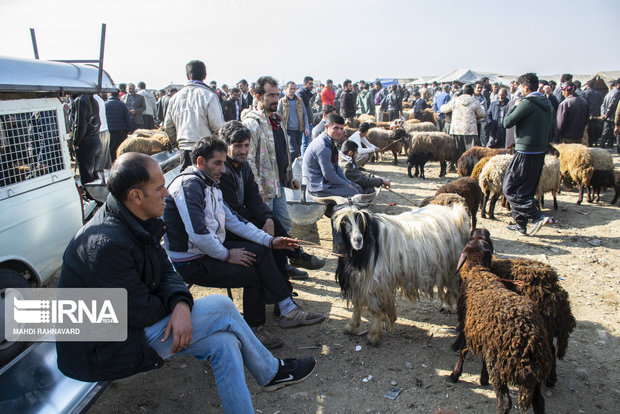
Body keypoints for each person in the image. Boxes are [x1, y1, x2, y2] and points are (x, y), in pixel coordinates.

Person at [56, 152, 316, 414]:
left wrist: (181, 304)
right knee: (223, 307)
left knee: (224, 344)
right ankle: (271, 372)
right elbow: (138, 311)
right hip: (101, 347)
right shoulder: (106, 244)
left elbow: (166, 272)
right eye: (159, 188)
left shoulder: (134, 219)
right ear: (136, 196)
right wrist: (178, 306)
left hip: (130, 328)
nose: (167, 194)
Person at [163, 138, 325, 349]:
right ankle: (256, 328)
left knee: (261, 250)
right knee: (252, 271)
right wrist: (226, 255)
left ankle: (286, 309)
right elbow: (198, 234)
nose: (223, 168)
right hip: (192, 260)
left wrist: (270, 240)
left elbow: (233, 220)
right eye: (218, 163)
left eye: (223, 163)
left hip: (207, 250)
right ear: (201, 162)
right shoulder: (189, 185)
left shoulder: (209, 183)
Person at [218, 121, 326, 282]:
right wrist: (261, 223)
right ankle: (293, 261)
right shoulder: (221, 171)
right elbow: (232, 211)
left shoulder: (243, 165)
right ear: (225, 146)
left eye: (246, 146)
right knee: (267, 240)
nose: (244, 151)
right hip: (225, 227)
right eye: (238, 146)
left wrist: (267, 218)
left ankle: (290, 266)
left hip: (240, 219)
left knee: (272, 222)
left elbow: (253, 197)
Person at [242, 76, 299, 233]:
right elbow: (249, 159)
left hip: (277, 183)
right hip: (264, 187)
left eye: (277, 94)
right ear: (259, 97)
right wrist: (257, 188)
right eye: (271, 95)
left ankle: (282, 254)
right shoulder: (252, 123)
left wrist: (290, 177)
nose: (276, 99)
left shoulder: (277, 118)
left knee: (284, 222)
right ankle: (272, 256)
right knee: (267, 225)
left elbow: (282, 150)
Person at [502, 73, 553, 236]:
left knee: (509, 188)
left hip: (525, 151)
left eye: (520, 88)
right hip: (539, 152)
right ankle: (520, 224)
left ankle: (537, 215)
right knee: (526, 189)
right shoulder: (547, 102)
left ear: (525, 87)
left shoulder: (527, 103)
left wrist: (516, 105)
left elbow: (507, 123)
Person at [164, 60, 225, 172]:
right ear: (205, 76)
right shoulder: (209, 96)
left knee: (187, 182)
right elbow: (217, 126)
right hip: (206, 150)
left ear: (187, 76)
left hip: (184, 149)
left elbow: (168, 126)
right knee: (205, 183)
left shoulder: (175, 98)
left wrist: (176, 143)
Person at [302, 113, 360, 198]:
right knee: (354, 194)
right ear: (326, 127)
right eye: (335, 128)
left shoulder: (330, 142)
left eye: (341, 128)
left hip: (325, 182)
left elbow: (337, 168)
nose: (339, 132)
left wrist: (348, 183)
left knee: (357, 187)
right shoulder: (323, 146)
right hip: (317, 187)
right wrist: (347, 186)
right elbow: (329, 175)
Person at [440, 84, 486, 161]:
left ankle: (459, 170)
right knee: (471, 153)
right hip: (470, 131)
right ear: (472, 93)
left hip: (456, 130)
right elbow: (482, 114)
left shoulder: (455, 100)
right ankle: (470, 169)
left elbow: (443, 109)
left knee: (459, 153)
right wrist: (482, 107)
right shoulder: (475, 101)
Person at [70, 94, 102, 184]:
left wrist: (76, 142)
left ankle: (90, 195)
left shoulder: (80, 100)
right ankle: (95, 196)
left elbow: (80, 124)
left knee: (87, 176)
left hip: (86, 143)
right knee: (94, 175)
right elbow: (98, 122)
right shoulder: (93, 101)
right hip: (96, 140)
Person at [277, 81, 309, 161]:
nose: (292, 91)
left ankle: (293, 168)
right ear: (286, 89)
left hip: (299, 129)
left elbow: (305, 114)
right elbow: (278, 115)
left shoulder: (299, 101)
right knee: (293, 151)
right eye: (290, 89)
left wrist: (306, 127)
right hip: (288, 130)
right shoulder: (282, 101)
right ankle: (289, 166)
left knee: (298, 150)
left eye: (294, 89)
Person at [105, 91, 132, 162]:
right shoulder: (122, 104)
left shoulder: (105, 104)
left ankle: (112, 162)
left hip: (109, 130)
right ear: (118, 95)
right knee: (121, 147)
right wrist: (129, 129)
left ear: (109, 94)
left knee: (111, 147)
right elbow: (127, 118)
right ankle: (121, 161)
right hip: (121, 130)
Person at [296, 76, 315, 156]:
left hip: (308, 122)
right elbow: (302, 110)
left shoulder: (306, 93)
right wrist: (306, 123)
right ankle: (304, 160)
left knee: (307, 142)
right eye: (310, 84)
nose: (312, 85)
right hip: (304, 123)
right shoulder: (301, 93)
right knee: (305, 143)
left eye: (312, 83)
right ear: (304, 84)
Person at [581, 80, 603, 146]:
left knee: (588, 130)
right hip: (597, 114)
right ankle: (595, 141)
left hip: (588, 115)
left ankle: (589, 142)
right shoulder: (599, 94)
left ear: (587, 86)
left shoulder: (584, 93)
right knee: (595, 129)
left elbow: (583, 104)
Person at [599, 78, 620, 149]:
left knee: (605, 133)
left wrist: (603, 114)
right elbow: (612, 105)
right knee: (618, 134)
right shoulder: (617, 93)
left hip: (607, 117)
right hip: (613, 117)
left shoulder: (609, 93)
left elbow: (603, 105)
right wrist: (607, 114)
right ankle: (618, 149)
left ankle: (601, 146)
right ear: (618, 84)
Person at [473, 81, 489, 146]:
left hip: (481, 122)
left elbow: (485, 110)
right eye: (478, 88)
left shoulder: (483, 99)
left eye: (481, 88)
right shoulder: (471, 98)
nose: (480, 89)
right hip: (473, 122)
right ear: (474, 88)